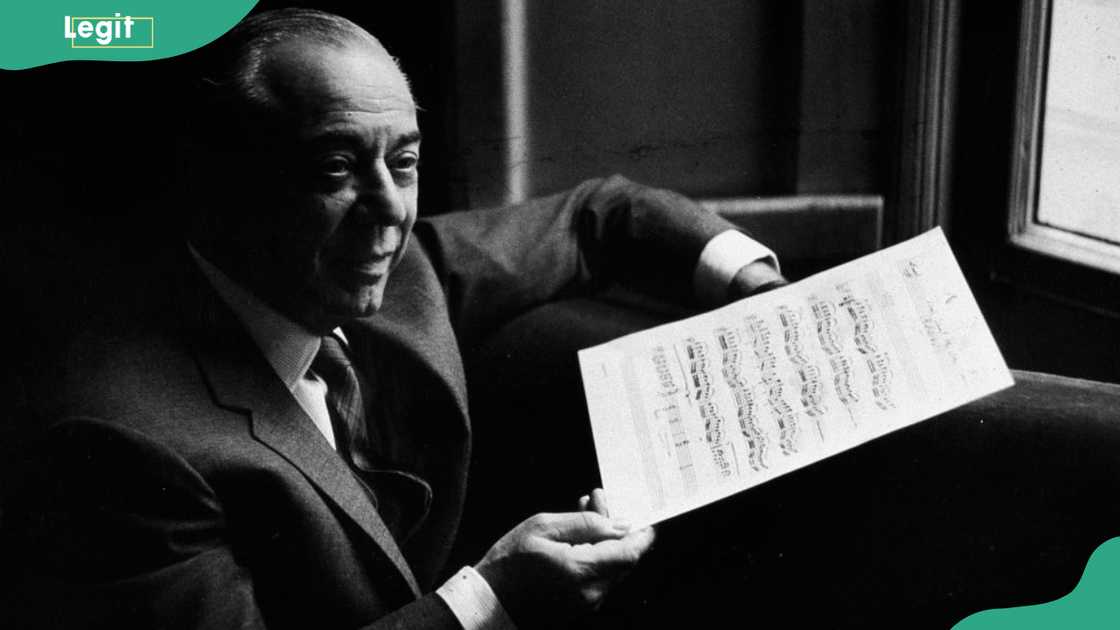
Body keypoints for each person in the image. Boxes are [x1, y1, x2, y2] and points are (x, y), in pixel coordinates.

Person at [3, 8, 786, 630]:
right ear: (222, 191)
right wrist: (492, 602)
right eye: (335, 169)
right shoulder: (117, 449)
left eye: (404, 161)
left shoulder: (394, 272)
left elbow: (596, 218)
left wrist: (752, 281)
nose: (390, 212)